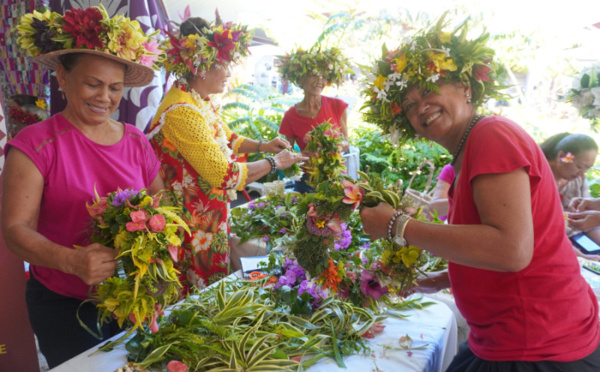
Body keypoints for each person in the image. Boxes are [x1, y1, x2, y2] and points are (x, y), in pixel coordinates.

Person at [359, 14, 600, 371]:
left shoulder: (491, 135)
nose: (420, 106)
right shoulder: (469, 150)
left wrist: (397, 226)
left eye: (427, 89)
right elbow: (498, 243)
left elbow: (510, 250)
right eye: (408, 105)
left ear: (466, 87)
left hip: (536, 344)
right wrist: (438, 279)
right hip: (510, 338)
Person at [2, 6, 163, 368]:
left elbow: (161, 202)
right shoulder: (35, 144)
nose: (104, 97)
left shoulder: (137, 141)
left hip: (131, 295)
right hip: (65, 303)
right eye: (93, 83)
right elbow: (14, 230)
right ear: (62, 77)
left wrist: (160, 259)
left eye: (115, 88)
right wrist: (71, 260)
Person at [148, 16, 307, 292]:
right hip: (190, 225)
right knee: (198, 294)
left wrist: (262, 145)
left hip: (205, 218)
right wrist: (274, 162)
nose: (230, 74)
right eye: (225, 65)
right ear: (201, 69)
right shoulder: (182, 111)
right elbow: (225, 175)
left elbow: (227, 138)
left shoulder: (196, 99)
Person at [277, 45, 352, 193]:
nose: (320, 81)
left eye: (324, 76)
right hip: (307, 181)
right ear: (300, 80)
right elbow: (286, 153)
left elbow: (346, 143)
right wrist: (298, 156)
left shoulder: (337, 106)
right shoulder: (290, 116)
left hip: (335, 178)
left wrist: (329, 147)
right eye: (314, 75)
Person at [540, 133, 600, 249]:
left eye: (587, 168)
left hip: (577, 240)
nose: (583, 174)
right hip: (551, 243)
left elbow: (590, 224)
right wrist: (579, 254)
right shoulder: (540, 176)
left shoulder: (577, 180)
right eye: (580, 166)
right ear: (562, 156)